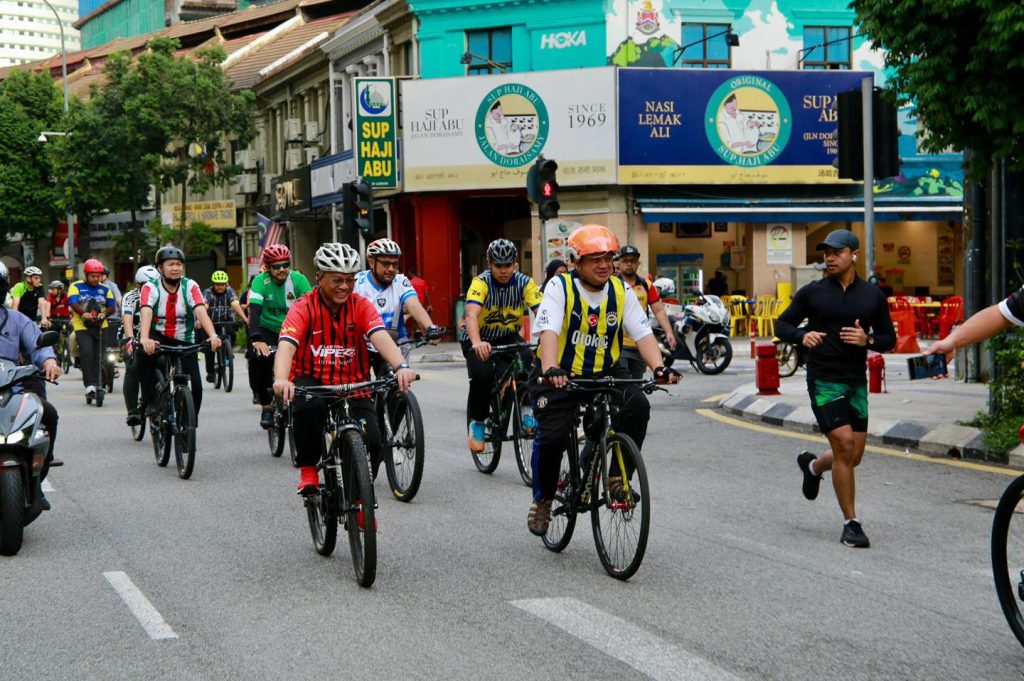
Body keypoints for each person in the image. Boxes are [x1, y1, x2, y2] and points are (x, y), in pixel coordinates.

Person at [527, 225, 681, 535]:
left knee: (638, 406)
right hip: (560, 374)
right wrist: (551, 367)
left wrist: (659, 368)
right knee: (554, 438)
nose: (603, 265)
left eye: (608, 258)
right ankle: (543, 499)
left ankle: (615, 478)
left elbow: (642, 333)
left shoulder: (620, 291)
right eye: (594, 258)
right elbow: (549, 332)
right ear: (576, 261)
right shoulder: (560, 287)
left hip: (606, 372)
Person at [775, 229, 896, 549]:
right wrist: (802, 336)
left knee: (853, 456)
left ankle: (813, 466)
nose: (829, 257)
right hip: (824, 379)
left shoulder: (872, 296)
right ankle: (851, 523)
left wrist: (867, 340)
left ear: (854, 255)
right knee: (843, 445)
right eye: (826, 252)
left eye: (836, 252)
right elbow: (781, 324)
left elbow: (889, 339)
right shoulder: (812, 293)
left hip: (856, 381)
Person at [272, 243, 416, 495]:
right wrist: (282, 379)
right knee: (309, 409)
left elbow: (379, 335)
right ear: (319, 276)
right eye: (337, 280)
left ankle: (359, 499)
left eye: (349, 280)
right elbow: (287, 344)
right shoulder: (303, 307)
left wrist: (400, 366)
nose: (344, 287)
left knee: (373, 441)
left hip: (353, 382)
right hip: (313, 380)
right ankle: (308, 470)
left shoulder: (360, 305)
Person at [462, 238, 543, 453]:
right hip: (479, 337)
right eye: (498, 265)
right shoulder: (481, 282)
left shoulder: (525, 282)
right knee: (483, 376)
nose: (503, 270)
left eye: (508, 265)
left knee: (529, 363)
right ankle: (478, 422)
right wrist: (477, 342)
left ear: (515, 264)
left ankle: (526, 409)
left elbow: (542, 311)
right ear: (489, 264)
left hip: (508, 336)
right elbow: (471, 315)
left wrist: (548, 335)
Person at [0, 262, 62, 510]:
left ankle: (38, 474)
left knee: (48, 414)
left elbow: (38, 343)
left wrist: (49, 361)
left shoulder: (17, 320)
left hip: (15, 386)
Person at [138, 246, 222, 420]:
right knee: (144, 358)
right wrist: (145, 338)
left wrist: (213, 335)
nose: (175, 268)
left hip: (185, 338)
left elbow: (200, 311)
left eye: (179, 264)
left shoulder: (190, 285)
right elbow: (146, 311)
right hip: (158, 337)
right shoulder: (150, 287)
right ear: (160, 268)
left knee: (196, 386)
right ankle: (151, 401)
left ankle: (190, 423)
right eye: (170, 264)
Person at [247, 245, 312, 429]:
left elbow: (311, 309)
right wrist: (256, 337)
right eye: (276, 266)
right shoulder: (260, 281)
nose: (282, 269)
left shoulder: (298, 280)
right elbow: (255, 310)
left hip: (293, 328)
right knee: (263, 360)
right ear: (268, 267)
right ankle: (266, 407)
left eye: (285, 265)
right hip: (267, 328)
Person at [354, 238, 441, 369]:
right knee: (360, 385)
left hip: (395, 343)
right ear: (372, 262)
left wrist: (430, 327)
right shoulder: (357, 283)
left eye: (395, 264)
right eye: (386, 264)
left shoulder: (400, 281)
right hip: (361, 345)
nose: (391, 269)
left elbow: (414, 305)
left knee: (401, 382)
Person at [617, 245, 677, 378]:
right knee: (622, 382)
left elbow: (659, 310)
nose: (629, 264)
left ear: (638, 263)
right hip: (618, 345)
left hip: (641, 345)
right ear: (619, 263)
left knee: (637, 384)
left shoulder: (646, 285)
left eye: (633, 261)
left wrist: (669, 332)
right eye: (626, 260)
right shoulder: (613, 284)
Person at [68, 259, 117, 398]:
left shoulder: (105, 289)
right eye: (92, 276)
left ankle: (99, 382)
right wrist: (84, 314)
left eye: (98, 276)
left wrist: (104, 314)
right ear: (86, 275)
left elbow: (112, 306)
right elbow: (73, 302)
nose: (96, 279)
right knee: (87, 353)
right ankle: (89, 385)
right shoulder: (76, 286)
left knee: (100, 357)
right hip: (82, 326)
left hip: (102, 326)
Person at [120, 265, 159, 427]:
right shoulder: (130, 297)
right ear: (137, 286)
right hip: (132, 337)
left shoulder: (161, 294)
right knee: (134, 366)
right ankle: (133, 411)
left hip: (155, 339)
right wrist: (130, 339)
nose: (150, 288)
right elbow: (127, 319)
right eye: (145, 285)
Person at [200, 270, 246, 383]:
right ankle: (210, 372)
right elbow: (203, 307)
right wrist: (200, 320)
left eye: (222, 284)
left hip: (227, 320)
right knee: (210, 347)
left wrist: (245, 319)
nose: (220, 287)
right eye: (217, 284)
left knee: (231, 333)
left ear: (226, 284)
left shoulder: (230, 291)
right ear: (213, 284)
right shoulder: (208, 292)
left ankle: (227, 354)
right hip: (211, 323)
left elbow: (235, 304)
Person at [404, 267, 433, 339]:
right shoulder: (422, 282)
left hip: (412, 302)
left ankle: (420, 334)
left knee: (414, 319)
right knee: (418, 318)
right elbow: (426, 293)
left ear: (410, 274)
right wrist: (430, 304)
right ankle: (422, 333)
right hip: (421, 302)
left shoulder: (410, 282)